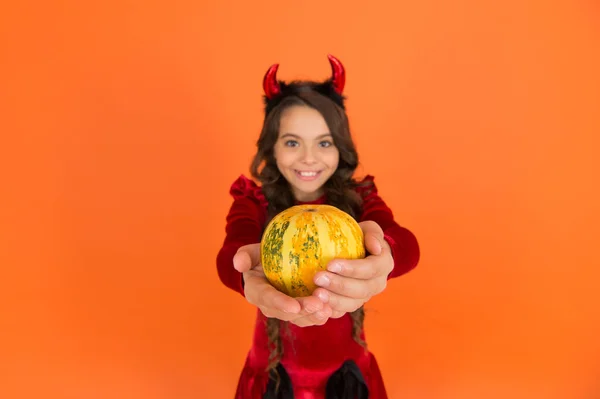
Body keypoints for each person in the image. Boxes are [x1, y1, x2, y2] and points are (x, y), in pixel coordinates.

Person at [216, 54, 420, 399]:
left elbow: (405, 245)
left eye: (324, 143)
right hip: (274, 374)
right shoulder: (255, 201)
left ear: (341, 148)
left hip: (345, 373)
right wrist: (243, 270)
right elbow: (232, 254)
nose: (309, 157)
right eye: (292, 142)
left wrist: (384, 252)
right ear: (273, 148)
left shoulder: (360, 198)